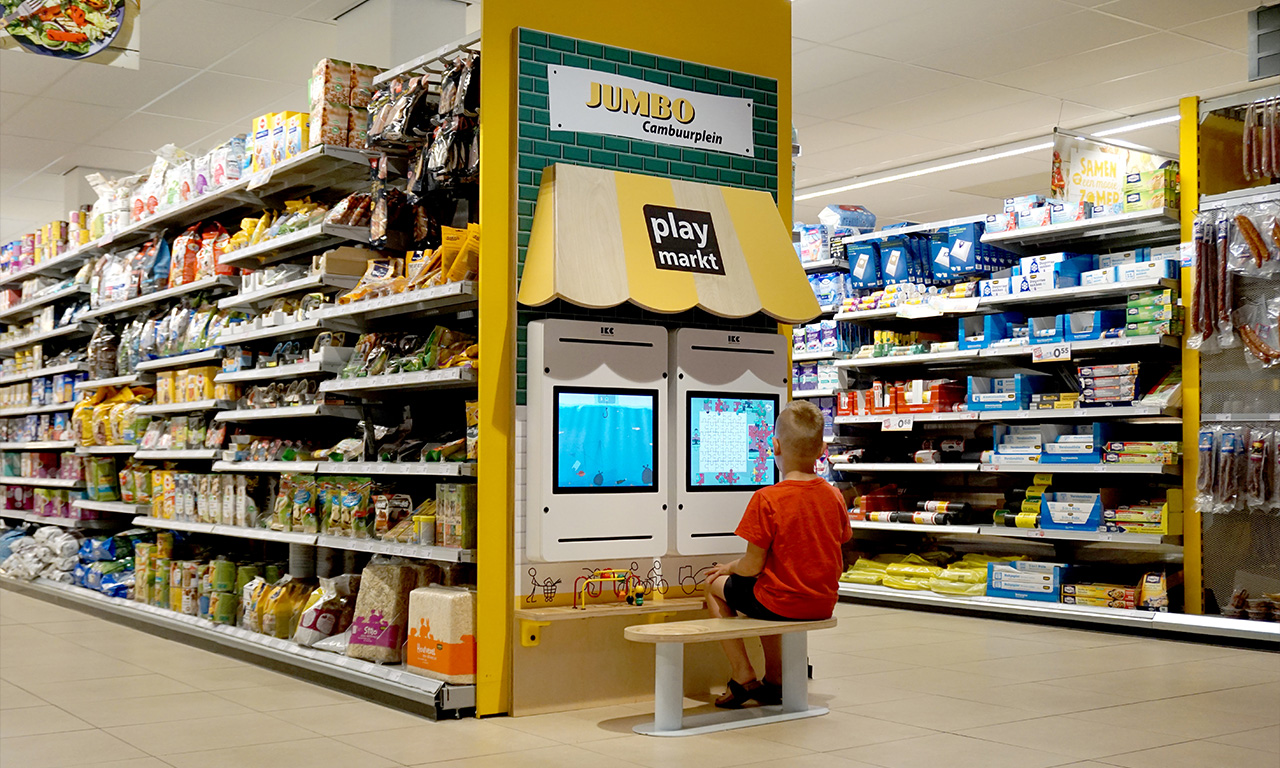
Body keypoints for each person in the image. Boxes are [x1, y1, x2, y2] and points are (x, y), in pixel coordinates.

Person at [703, 399, 851, 708]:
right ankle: (775, 679)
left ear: (775, 446)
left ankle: (742, 675)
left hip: (782, 602)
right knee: (765, 590)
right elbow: (839, 540)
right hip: (822, 602)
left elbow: (751, 565)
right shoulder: (834, 496)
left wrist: (728, 567)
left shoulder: (767, 498)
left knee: (714, 586)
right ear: (822, 449)